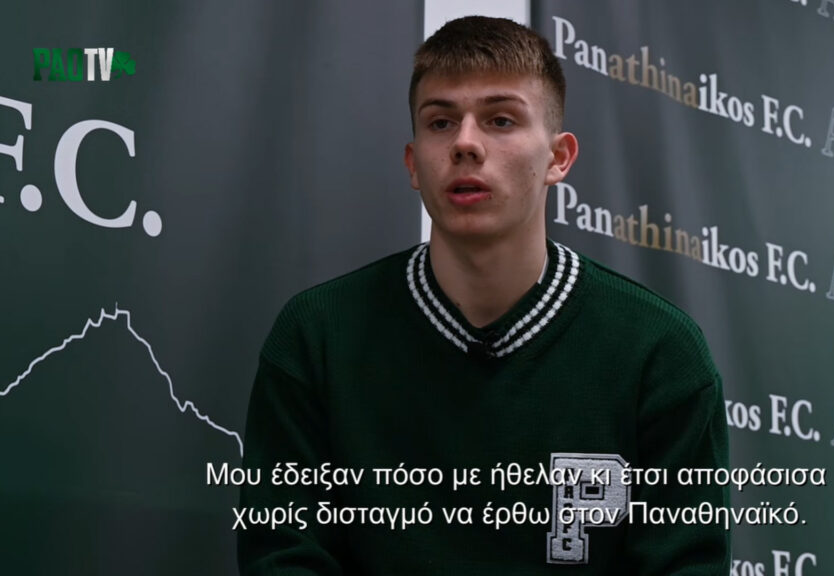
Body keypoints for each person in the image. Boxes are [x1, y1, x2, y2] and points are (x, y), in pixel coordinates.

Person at [238, 15, 729, 575]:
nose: (466, 143)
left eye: (500, 120)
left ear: (559, 158)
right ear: (413, 164)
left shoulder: (661, 354)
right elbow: (283, 557)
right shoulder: (317, 338)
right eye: (441, 122)